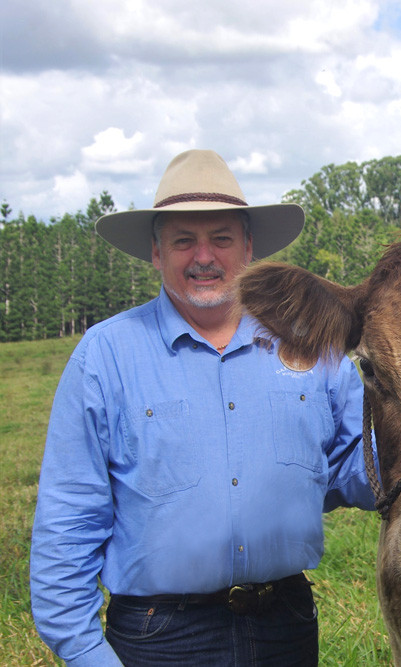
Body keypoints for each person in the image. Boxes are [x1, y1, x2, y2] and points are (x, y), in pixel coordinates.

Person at [30, 149, 376, 666]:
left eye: (221, 238)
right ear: (155, 252)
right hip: (159, 635)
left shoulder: (311, 348)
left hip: (285, 623)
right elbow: (69, 519)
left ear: (248, 246)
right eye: (183, 241)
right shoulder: (106, 355)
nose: (204, 257)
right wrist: (86, 654)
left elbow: (356, 468)